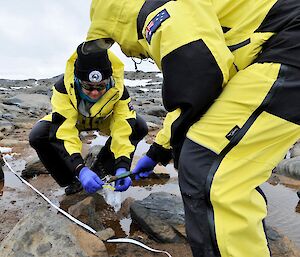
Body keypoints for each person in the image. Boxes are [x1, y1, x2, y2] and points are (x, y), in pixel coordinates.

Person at [81, 0, 300, 256]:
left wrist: (175, 146)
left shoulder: (152, 12)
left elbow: (200, 76)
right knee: (221, 163)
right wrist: (157, 152)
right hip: (276, 51)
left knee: (207, 169)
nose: (127, 51)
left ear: (114, 23)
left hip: (288, 46)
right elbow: (204, 89)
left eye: (113, 41)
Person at [29, 43, 148, 195]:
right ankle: (71, 179)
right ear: (78, 81)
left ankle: (101, 170)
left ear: (109, 79)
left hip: (103, 120)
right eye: (88, 86)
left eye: (101, 87)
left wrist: (122, 165)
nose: (94, 93)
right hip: (73, 121)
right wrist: (80, 169)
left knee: (139, 126)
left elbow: (123, 127)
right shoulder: (63, 88)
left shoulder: (119, 90)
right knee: (38, 136)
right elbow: (64, 131)